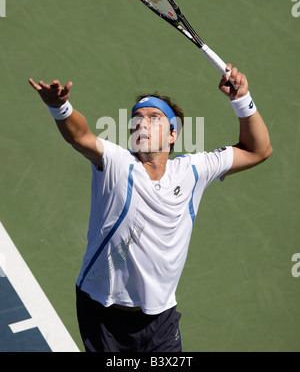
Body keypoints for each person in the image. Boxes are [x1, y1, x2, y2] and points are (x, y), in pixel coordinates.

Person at [28, 65, 272, 352]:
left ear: (172, 135)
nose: (141, 124)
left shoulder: (193, 170)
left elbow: (259, 150)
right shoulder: (117, 165)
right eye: (136, 119)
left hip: (161, 317)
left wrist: (241, 99)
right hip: (103, 312)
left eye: (154, 118)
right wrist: (60, 107)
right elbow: (80, 136)